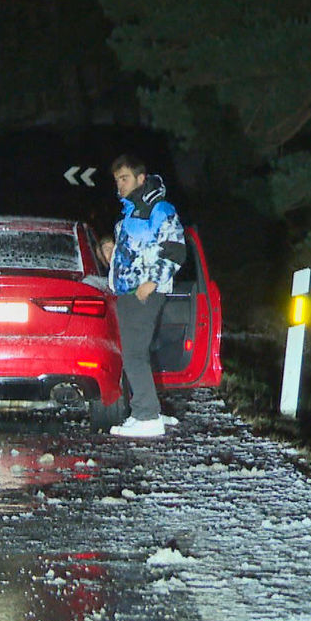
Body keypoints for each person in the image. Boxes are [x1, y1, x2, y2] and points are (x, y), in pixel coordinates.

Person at [107, 154, 187, 438]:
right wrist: (111, 251)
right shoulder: (132, 211)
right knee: (136, 353)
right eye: (117, 179)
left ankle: (147, 417)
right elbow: (136, 250)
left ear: (141, 179)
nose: (120, 185)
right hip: (128, 292)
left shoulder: (159, 208)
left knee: (133, 355)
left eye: (125, 178)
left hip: (142, 293)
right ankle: (144, 409)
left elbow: (176, 249)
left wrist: (152, 281)